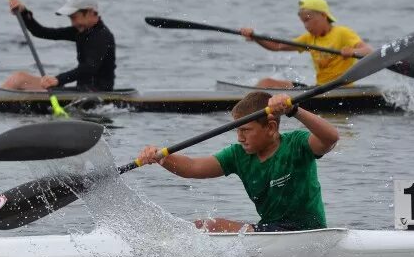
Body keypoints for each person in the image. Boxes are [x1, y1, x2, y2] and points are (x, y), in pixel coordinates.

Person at [136, 91, 339, 233]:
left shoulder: (297, 144)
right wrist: (161, 158)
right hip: (272, 230)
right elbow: (193, 167)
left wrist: (294, 110)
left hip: (308, 231)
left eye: (245, 130)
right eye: (237, 130)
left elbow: (331, 138)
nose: (239, 138)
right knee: (201, 226)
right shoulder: (238, 154)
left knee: (212, 226)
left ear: (270, 127)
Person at [240, 0, 373, 88]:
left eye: (308, 20)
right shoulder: (308, 38)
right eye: (303, 21)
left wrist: (353, 51)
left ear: (323, 16)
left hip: (341, 88)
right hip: (319, 88)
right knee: (266, 83)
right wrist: (255, 37)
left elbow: (369, 51)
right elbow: (277, 46)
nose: (306, 26)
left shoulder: (342, 33)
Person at [2, 0, 116, 92]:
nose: (73, 23)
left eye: (74, 17)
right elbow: (42, 32)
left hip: (96, 94)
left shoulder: (102, 36)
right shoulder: (81, 31)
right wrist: (24, 12)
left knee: (22, 80)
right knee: (19, 78)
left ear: (90, 12)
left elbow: (89, 68)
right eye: (71, 18)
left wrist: (58, 79)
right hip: (80, 91)